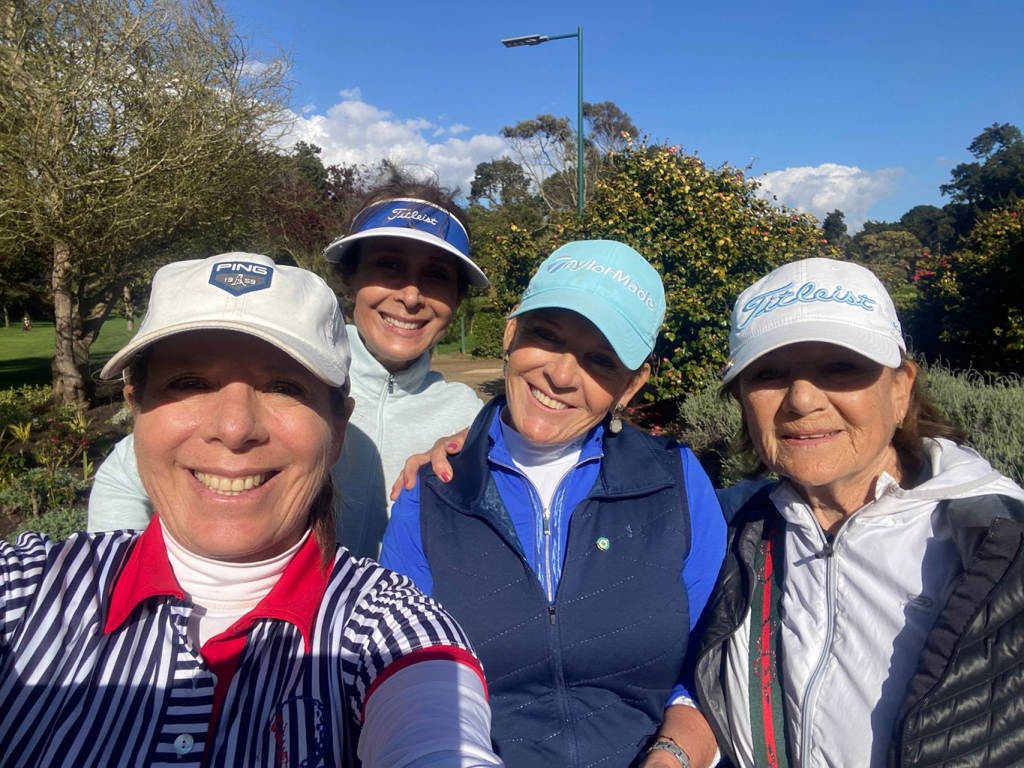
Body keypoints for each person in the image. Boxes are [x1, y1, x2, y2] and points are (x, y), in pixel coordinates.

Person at [0, 253, 502, 767]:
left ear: (337, 431)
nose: (235, 428)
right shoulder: (27, 587)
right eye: (189, 382)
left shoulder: (391, 631)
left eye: (284, 387)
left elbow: (439, 737)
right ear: (136, 407)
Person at [379, 240, 727, 768]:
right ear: (511, 333)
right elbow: (402, 681)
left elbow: (711, 666)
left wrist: (672, 756)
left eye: (600, 360)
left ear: (631, 385)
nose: (562, 376)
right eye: (547, 336)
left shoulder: (676, 482)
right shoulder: (431, 492)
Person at [685, 257, 1024, 767]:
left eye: (841, 367)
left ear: (901, 388)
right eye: (769, 373)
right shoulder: (729, 528)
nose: (802, 400)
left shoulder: (1000, 544)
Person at [88, 176, 486, 558]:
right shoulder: (290, 367)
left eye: (437, 275)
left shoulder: (467, 417)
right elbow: (127, 475)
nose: (412, 296)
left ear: (457, 297)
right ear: (351, 277)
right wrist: (126, 582)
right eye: (390, 267)